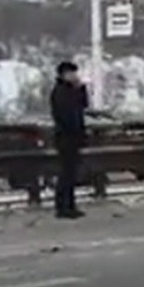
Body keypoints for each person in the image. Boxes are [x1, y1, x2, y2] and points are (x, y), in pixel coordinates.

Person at [50, 61, 88, 219]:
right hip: (65, 137)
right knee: (66, 174)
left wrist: (81, 89)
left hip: (73, 137)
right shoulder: (60, 91)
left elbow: (83, 105)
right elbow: (65, 115)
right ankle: (63, 207)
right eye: (71, 73)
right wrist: (74, 129)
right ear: (64, 74)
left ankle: (70, 205)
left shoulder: (72, 90)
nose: (74, 76)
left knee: (71, 174)